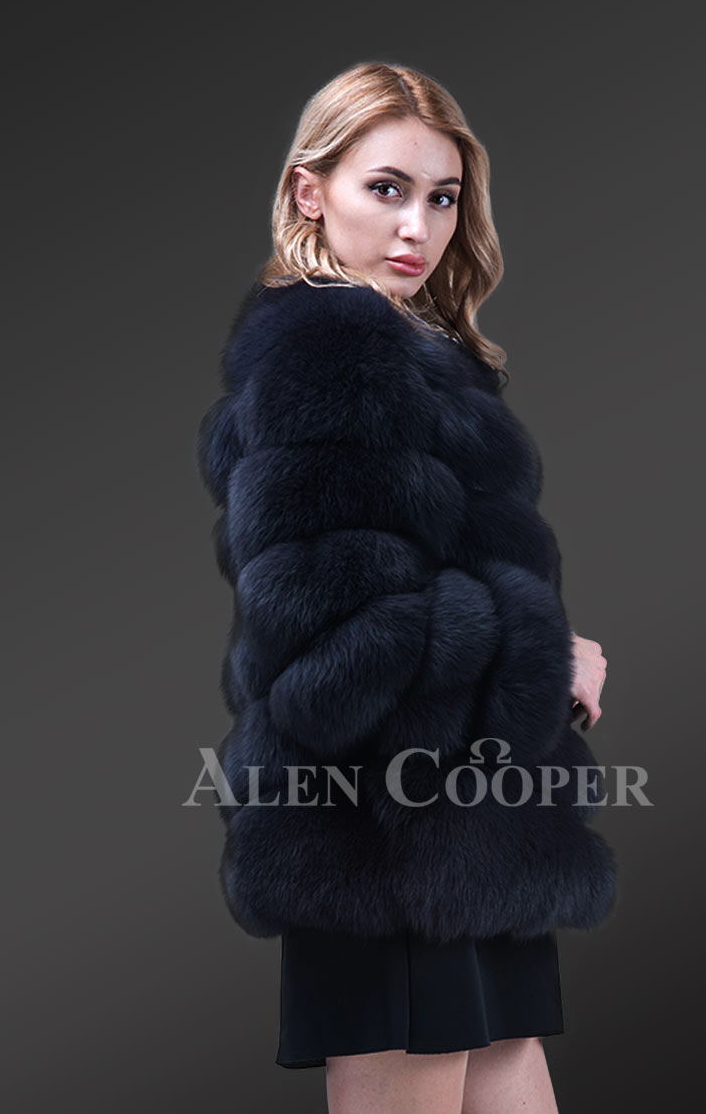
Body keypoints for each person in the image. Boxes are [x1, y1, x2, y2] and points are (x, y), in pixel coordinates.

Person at [196, 61, 616, 1113]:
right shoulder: (332, 357)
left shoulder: (421, 357)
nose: (416, 226)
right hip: (380, 842)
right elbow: (332, 652)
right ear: (310, 192)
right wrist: (539, 646)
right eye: (385, 188)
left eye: (441, 196)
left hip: (468, 832)